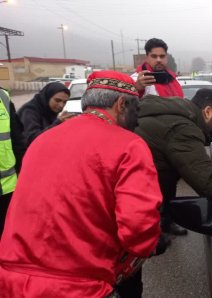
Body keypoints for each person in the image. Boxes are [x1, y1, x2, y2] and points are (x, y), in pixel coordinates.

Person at [0, 71, 163, 298]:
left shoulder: (43, 140)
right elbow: (138, 227)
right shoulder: (129, 146)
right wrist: (151, 244)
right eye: (137, 110)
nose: (137, 120)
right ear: (121, 104)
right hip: (77, 287)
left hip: (12, 283)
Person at [135, 88, 212, 234]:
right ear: (208, 111)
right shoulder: (183, 130)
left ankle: (165, 225)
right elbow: (209, 184)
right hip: (133, 200)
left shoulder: (177, 114)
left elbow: (165, 173)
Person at [0, 87, 26, 236]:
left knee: (6, 233)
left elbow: (16, 137)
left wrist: (22, 170)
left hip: (8, 185)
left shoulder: (3, 96)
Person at [17, 81, 73, 146]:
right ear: (47, 96)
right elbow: (33, 138)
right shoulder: (29, 111)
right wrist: (58, 123)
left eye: (64, 102)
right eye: (57, 100)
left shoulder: (49, 110)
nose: (61, 105)